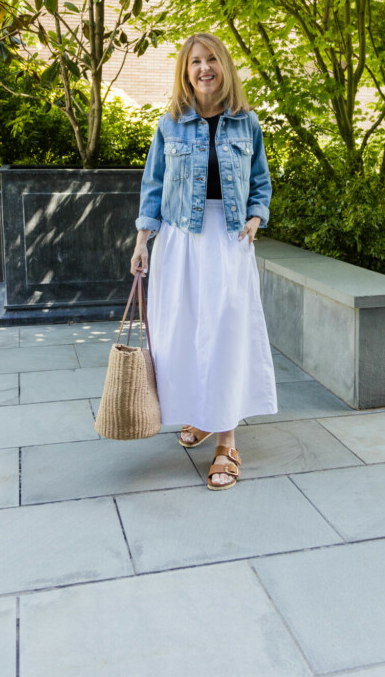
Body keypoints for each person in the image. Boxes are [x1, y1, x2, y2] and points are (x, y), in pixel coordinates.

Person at [130, 33, 278, 490]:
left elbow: (261, 181)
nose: (204, 67)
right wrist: (141, 241)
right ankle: (200, 413)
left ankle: (226, 439)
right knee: (183, 332)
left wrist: (257, 217)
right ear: (185, 70)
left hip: (229, 239)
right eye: (195, 61)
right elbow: (153, 184)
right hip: (179, 239)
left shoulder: (246, 122)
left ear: (224, 66)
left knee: (227, 332)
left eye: (211, 58)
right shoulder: (170, 123)